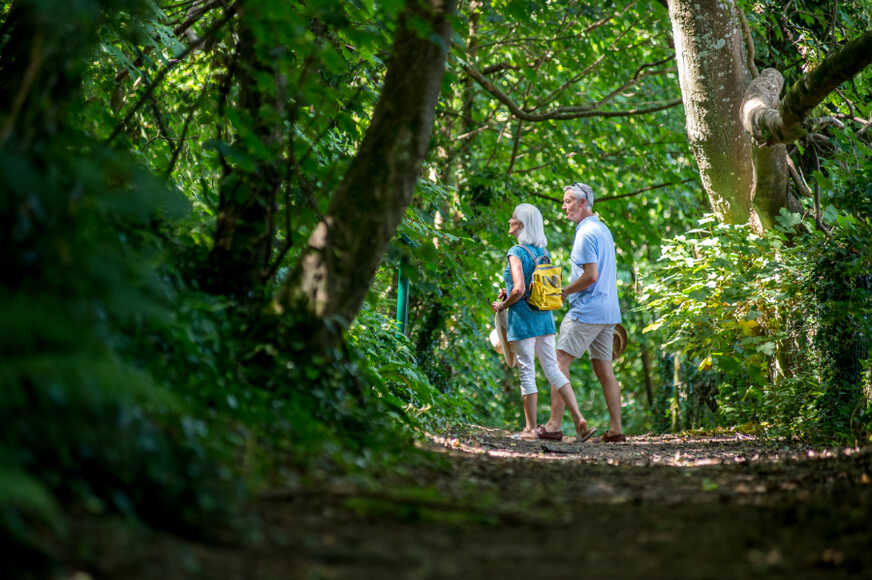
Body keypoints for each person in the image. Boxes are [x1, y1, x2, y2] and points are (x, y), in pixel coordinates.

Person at [491, 203, 596, 442]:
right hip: (545, 319)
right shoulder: (542, 252)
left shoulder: (516, 252)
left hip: (524, 321)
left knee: (527, 372)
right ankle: (579, 419)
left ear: (522, 224)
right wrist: (506, 292)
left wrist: (502, 305)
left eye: (513, 218)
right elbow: (532, 285)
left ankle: (529, 430)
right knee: (553, 370)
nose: (509, 221)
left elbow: (518, 289)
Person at [540, 182, 627, 443]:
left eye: (568, 202)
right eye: (564, 202)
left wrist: (563, 291)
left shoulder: (585, 233)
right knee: (604, 369)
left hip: (587, 311)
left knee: (558, 363)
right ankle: (616, 431)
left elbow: (590, 276)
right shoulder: (602, 229)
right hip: (609, 311)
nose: (564, 207)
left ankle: (554, 425)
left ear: (582, 203)